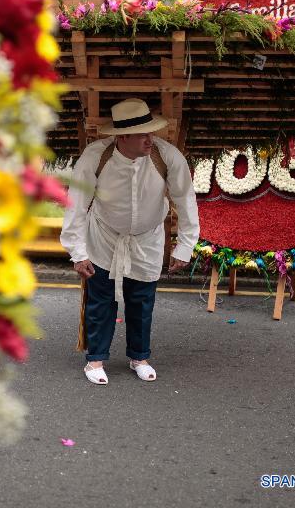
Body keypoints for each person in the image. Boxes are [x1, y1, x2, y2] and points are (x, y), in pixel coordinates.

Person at [60, 98, 199, 385]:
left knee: (142, 301)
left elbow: (186, 201)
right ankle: (95, 360)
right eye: (143, 134)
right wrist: (77, 252)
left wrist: (185, 246)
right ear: (122, 137)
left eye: (152, 132)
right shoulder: (96, 157)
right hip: (103, 236)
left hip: (148, 239)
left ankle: (139, 357)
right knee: (101, 300)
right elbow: (76, 203)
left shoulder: (167, 156)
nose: (151, 139)